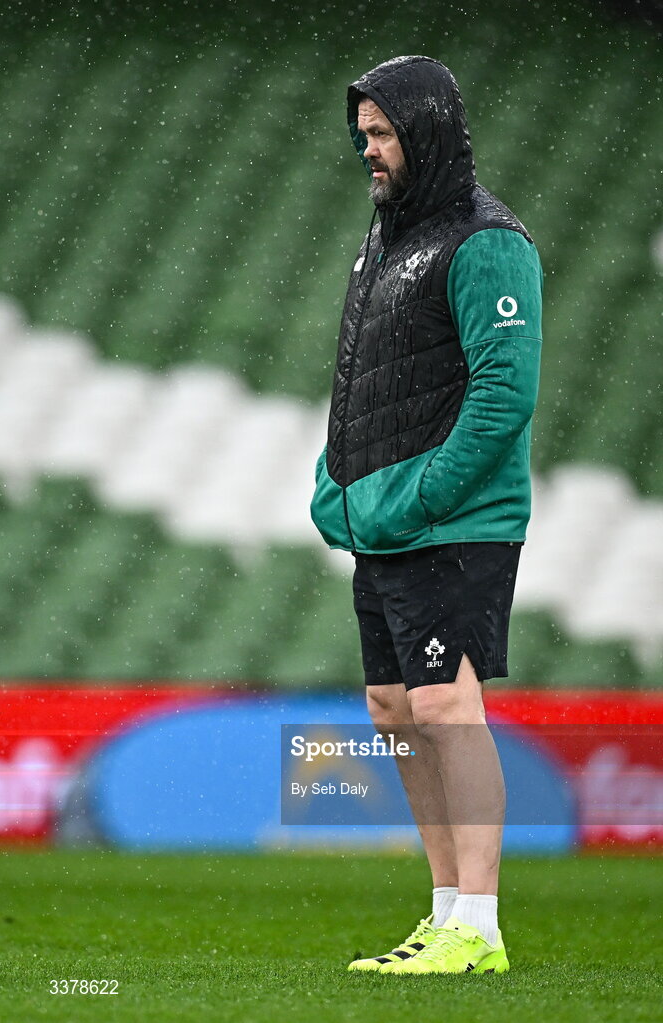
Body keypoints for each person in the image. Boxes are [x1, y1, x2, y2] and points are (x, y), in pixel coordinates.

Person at [310, 55, 543, 975]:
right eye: (362, 133)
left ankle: (478, 929)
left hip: (455, 522)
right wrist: (339, 481)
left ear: (428, 130)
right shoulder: (386, 236)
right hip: (391, 522)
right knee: (394, 706)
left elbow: (504, 392)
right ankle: (444, 912)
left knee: (448, 705)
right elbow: (361, 382)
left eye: (383, 132)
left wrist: (427, 495)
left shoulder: (488, 240)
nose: (368, 148)